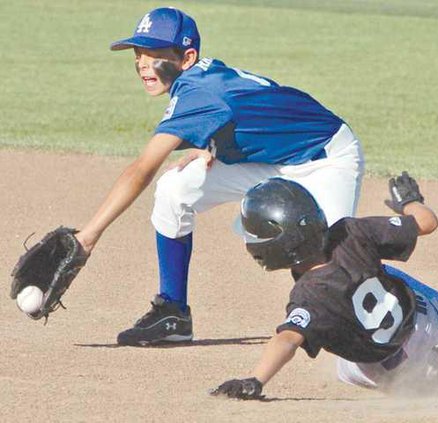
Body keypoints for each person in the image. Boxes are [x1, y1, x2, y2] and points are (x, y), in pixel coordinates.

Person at [73, 7, 364, 346]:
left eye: (154, 54)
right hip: (272, 160)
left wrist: (87, 236)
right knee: (175, 187)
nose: (142, 63)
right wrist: (217, 144)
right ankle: (172, 313)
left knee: (341, 265)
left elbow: (142, 168)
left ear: (187, 57)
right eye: (138, 54)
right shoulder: (197, 81)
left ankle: (415, 322)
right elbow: (246, 109)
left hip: (326, 159)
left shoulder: (199, 93)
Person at [210, 174, 438, 400]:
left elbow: (287, 338)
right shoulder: (351, 232)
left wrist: (255, 380)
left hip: (388, 369)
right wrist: (410, 200)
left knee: (347, 367)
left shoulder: (309, 298)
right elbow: (427, 222)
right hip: (425, 320)